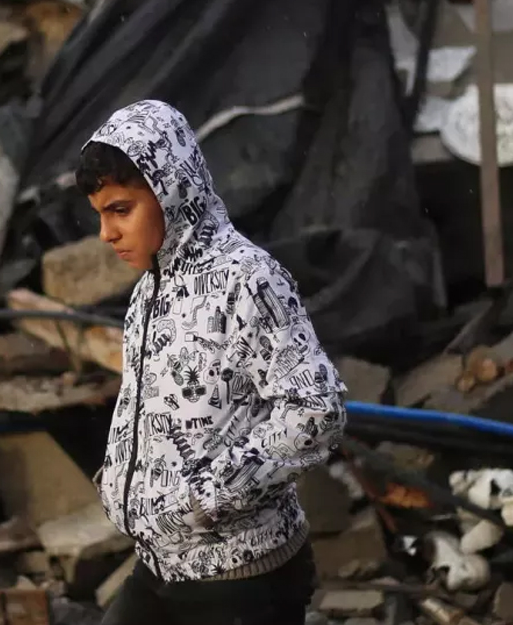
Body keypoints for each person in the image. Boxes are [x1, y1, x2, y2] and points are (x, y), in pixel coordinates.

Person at [76, 100, 347, 625]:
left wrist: (206, 497)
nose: (106, 234)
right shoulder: (149, 292)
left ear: (172, 193)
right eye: (100, 214)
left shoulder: (247, 281)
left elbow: (317, 412)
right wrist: (118, 481)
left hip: (240, 580)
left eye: (121, 210)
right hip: (161, 566)